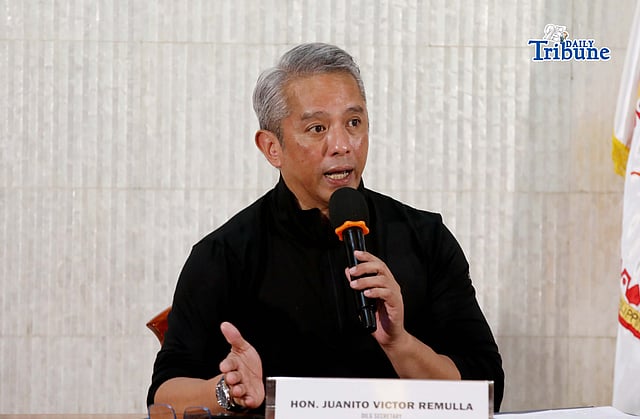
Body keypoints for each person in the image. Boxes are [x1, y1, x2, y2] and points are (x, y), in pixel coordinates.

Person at [147, 42, 504, 415]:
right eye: (317, 128)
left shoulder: (425, 238)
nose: (342, 145)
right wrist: (227, 390)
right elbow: (163, 395)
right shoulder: (225, 255)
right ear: (272, 147)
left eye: (354, 123)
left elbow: (486, 391)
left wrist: (400, 344)